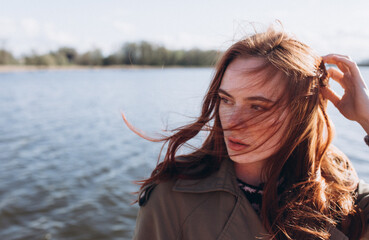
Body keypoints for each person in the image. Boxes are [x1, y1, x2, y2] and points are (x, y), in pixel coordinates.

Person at [127, 24, 369, 239]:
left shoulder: (336, 178)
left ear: (301, 114)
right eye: (226, 100)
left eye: (257, 107)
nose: (232, 123)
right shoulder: (171, 197)